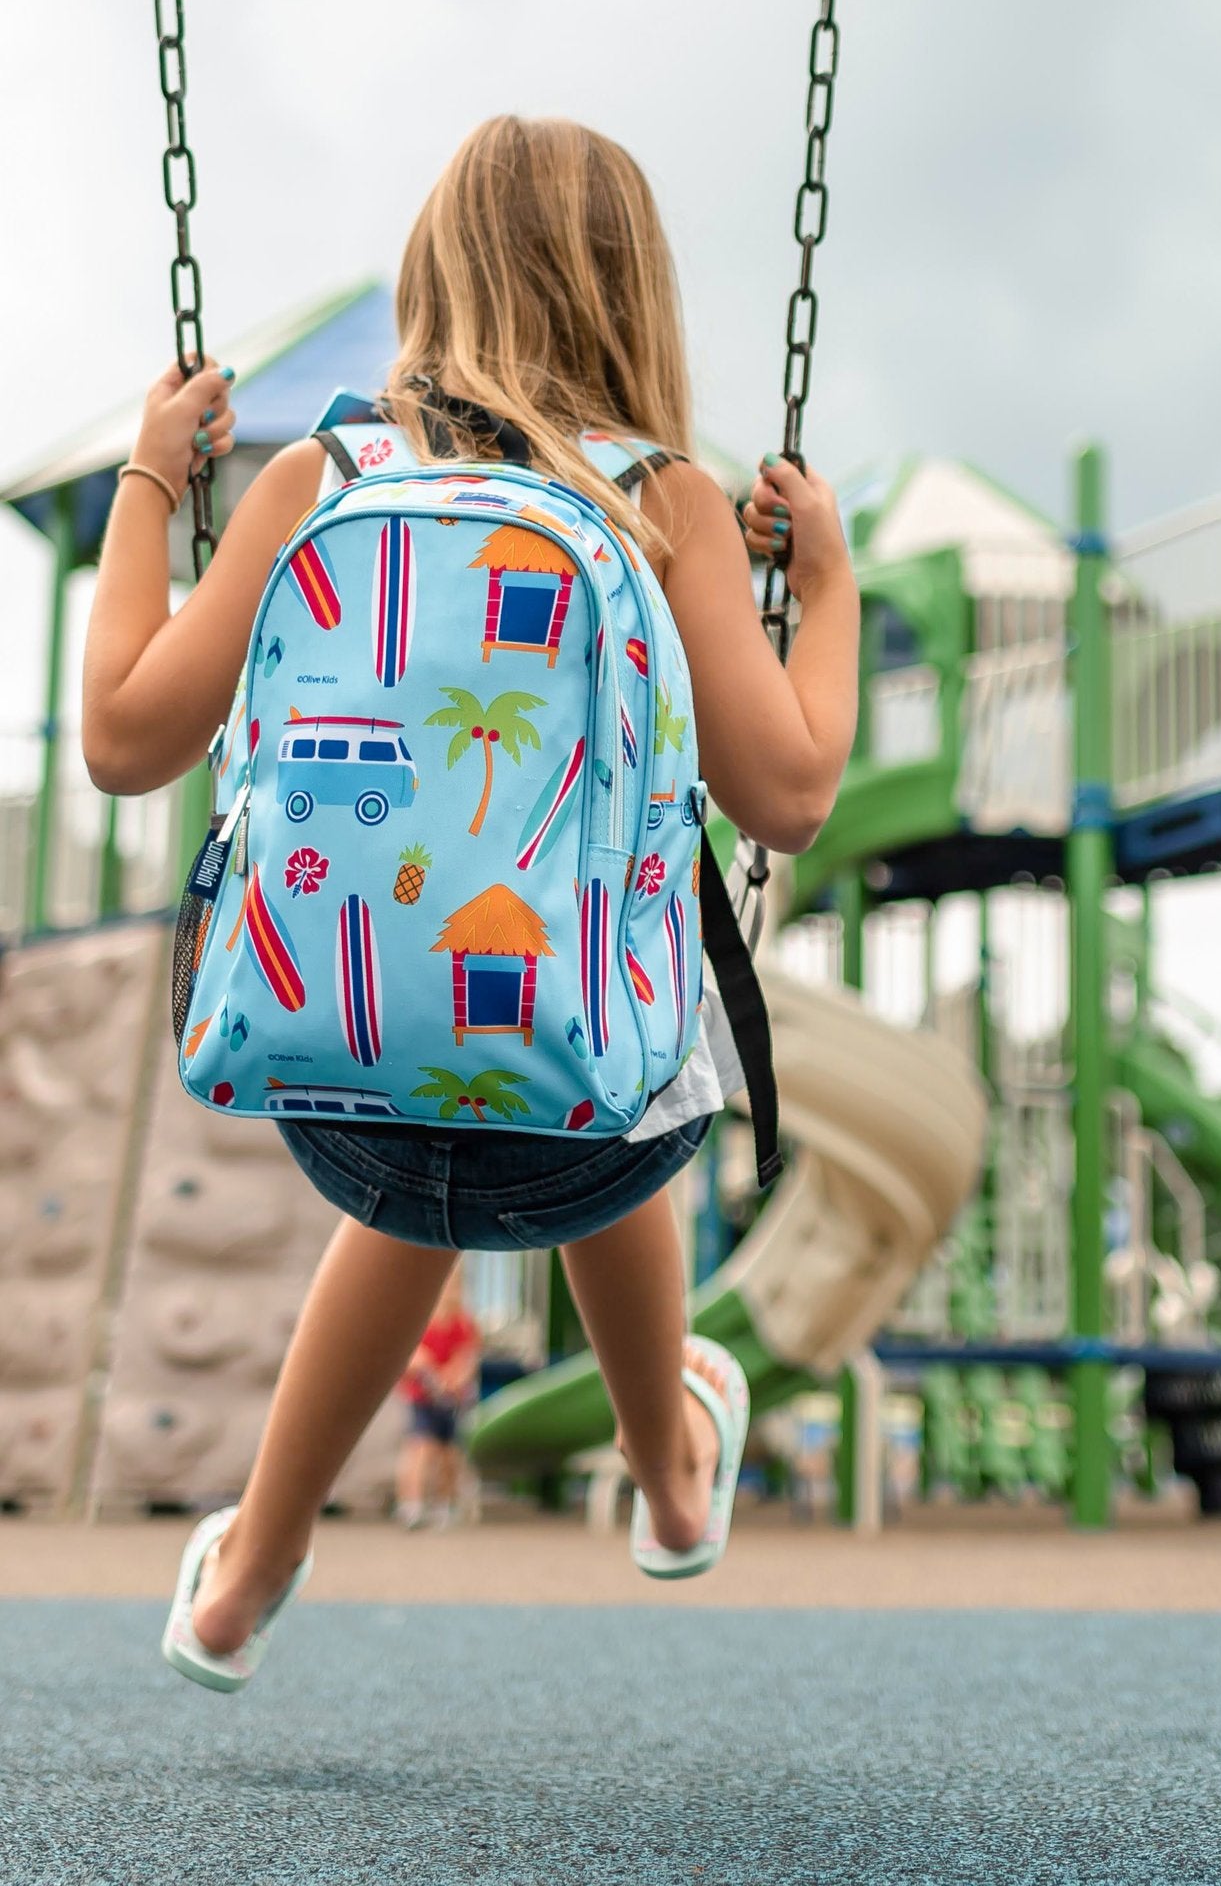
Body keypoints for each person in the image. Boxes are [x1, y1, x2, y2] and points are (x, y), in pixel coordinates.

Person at [79, 116, 859, 1690]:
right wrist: (827, 588)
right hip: (591, 1111)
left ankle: (250, 1567)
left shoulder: (324, 474)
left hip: (325, 1090)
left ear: (433, 282)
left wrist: (157, 482)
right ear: (634, 300)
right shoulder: (664, 502)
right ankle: (671, 1473)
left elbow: (119, 739)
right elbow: (791, 792)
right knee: (617, 1037)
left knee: (441, 1133)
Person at [395, 1272, 480, 1530]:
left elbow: (468, 1358)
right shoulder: (420, 1322)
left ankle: (444, 1505)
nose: (449, 1293)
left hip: (451, 1401)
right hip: (422, 1398)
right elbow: (413, 1358)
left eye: (455, 1288)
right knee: (420, 1449)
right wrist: (431, 1372)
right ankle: (411, 1505)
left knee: (448, 1455)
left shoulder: (463, 1324)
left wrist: (452, 1378)